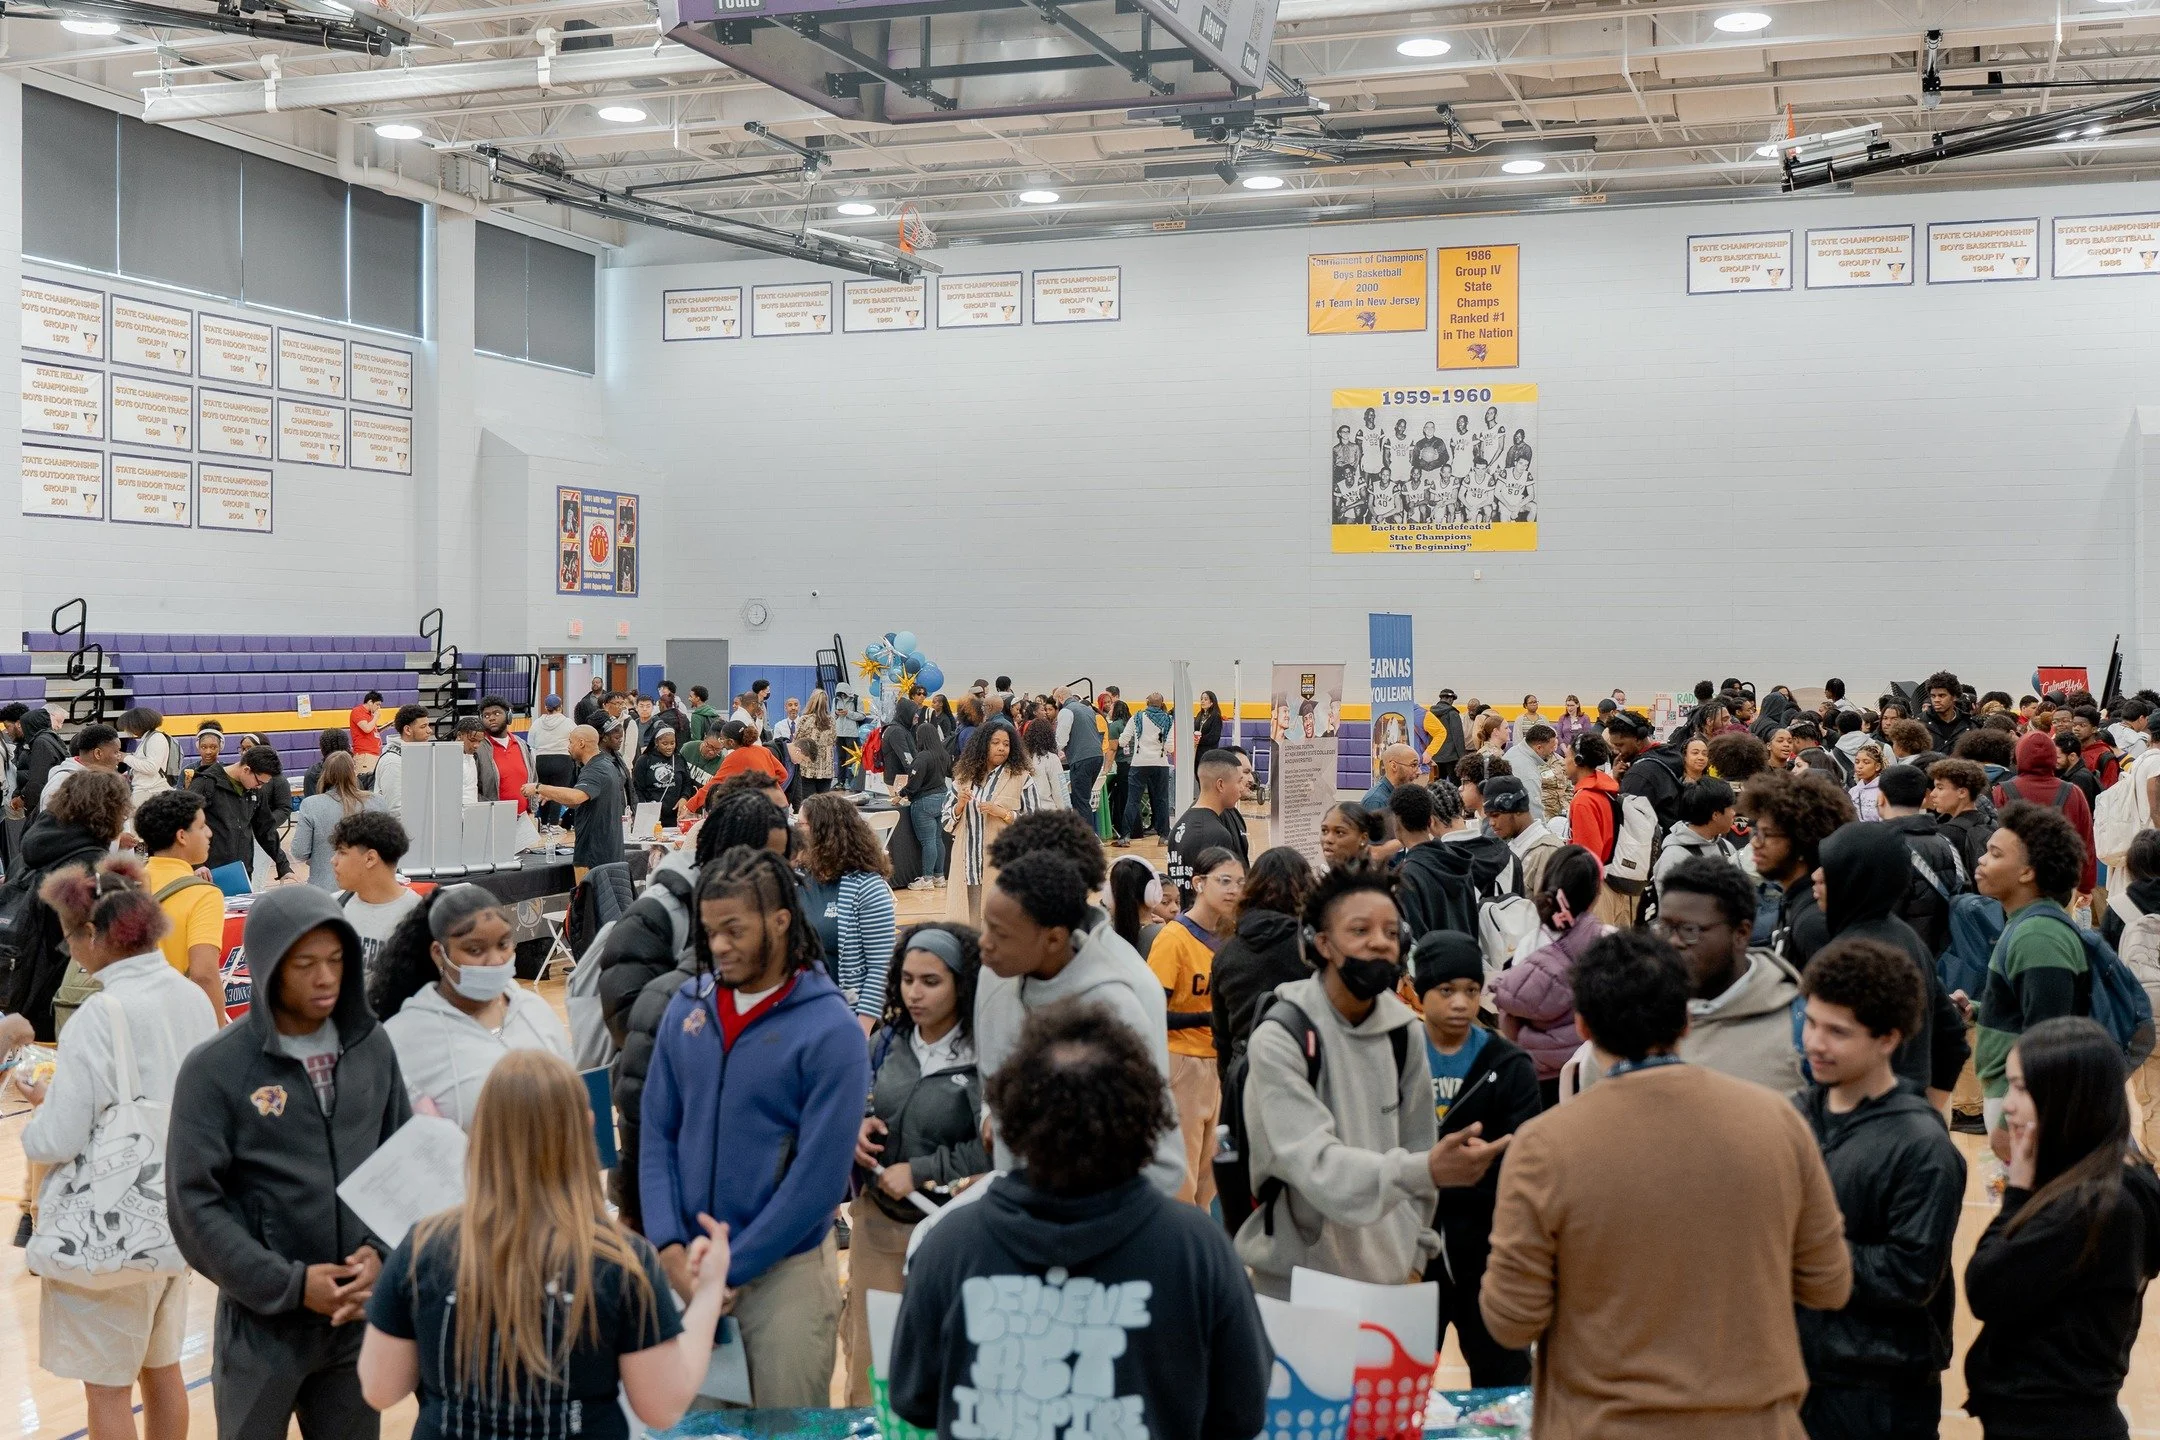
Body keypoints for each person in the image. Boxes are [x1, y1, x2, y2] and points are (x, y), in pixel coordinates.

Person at [1482, 929, 1851, 1437]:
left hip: (1603, 1425)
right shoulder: (1777, 1122)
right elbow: (1830, 1284)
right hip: (1754, 1424)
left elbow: (1510, 1319)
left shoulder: (1545, 1145)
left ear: (1582, 1025)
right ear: (1684, 1020)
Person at [888, 999, 1270, 1440]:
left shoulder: (948, 1245)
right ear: (1142, 1116)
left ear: (1012, 1119)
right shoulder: (1197, 1248)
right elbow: (1243, 1410)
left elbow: (913, 1397)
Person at [357, 1050, 730, 1438]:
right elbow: (661, 1407)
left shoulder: (422, 1248)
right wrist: (707, 1293)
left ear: (481, 1133)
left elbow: (381, 1388)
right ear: (586, 1129)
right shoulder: (621, 1261)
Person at [169, 885, 412, 1440]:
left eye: (335, 960)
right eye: (305, 964)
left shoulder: (372, 1046)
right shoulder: (215, 1069)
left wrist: (381, 1256)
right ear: (268, 968)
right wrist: (290, 1283)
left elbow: (401, 1164)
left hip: (354, 1317)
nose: (325, 977)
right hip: (261, 1325)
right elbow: (193, 1205)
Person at [639, 846, 868, 1407]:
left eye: (734, 930)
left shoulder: (830, 1027)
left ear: (781, 920)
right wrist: (670, 1249)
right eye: (711, 930)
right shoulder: (687, 1007)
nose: (719, 945)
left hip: (784, 1273)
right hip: (687, 1267)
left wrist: (731, 1268)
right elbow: (655, 1132)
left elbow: (817, 1181)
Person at [15, 855, 219, 1440]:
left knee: (107, 1392)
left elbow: (59, 1137)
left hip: (107, 1233)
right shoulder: (188, 998)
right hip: (174, 1218)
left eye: (70, 938)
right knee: (164, 1372)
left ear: (96, 935)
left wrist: (38, 1114)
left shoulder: (99, 1014)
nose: (70, 952)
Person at [1236, 861, 1509, 1296]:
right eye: (1360, 931)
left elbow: (1419, 1143)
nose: (1379, 943)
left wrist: (1417, 1257)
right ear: (1321, 942)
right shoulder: (1282, 1037)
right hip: (1298, 1286)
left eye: (1389, 931)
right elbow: (1315, 1164)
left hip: (1393, 1286)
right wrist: (1427, 1169)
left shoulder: (1405, 1033)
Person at [1793, 937, 1966, 1440]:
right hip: (1798, 1371)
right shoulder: (1797, 1115)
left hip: (1879, 1389)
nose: (1816, 1043)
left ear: (1888, 1039)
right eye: (1811, 1022)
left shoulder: (1922, 1148)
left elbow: (1909, 1275)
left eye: (1838, 1032)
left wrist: (1797, 1248)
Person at [1964, 1016, 2160, 1440]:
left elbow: (1985, 1285)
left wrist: (2018, 1186)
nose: (2007, 1104)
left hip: (2057, 1424)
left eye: (2019, 1088)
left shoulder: (2097, 1204)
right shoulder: (2106, 1182)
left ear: (2065, 1096)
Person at [604, 794, 788, 1231]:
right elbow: (630, 1023)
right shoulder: (657, 912)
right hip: (669, 1121)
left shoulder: (776, 909)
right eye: (766, 858)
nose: (777, 873)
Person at [973, 837, 1187, 1195]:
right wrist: (989, 1115)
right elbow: (989, 1078)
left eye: (1000, 933)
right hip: (1020, 1208)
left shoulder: (1122, 1001)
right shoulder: (994, 973)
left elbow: (1163, 1159)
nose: (983, 944)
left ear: (1054, 939)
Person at [842, 923, 989, 1405]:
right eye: (907, 979)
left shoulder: (984, 1057)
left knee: (947, 1368)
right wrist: (857, 1129)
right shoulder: (885, 1043)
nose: (915, 993)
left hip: (951, 1234)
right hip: (879, 1226)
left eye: (931, 981)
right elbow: (857, 1102)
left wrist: (923, 1170)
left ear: (961, 983)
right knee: (869, 1363)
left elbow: (995, 1148)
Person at [1411, 932, 1540, 1387]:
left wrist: (1492, 1163)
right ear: (1417, 990)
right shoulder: (1394, 1057)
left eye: (1470, 990)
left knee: (1503, 1379)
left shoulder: (1508, 1064)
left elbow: (1527, 1153)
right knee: (1400, 1377)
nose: (1461, 1003)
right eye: (1446, 991)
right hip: (1412, 1248)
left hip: (1487, 1248)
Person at [368, 884, 572, 1129]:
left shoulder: (535, 1011)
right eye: (475, 950)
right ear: (438, 954)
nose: (495, 960)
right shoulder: (403, 1037)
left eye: (504, 944)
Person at [1974, 799, 2094, 1160]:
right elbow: (2028, 1009)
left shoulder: (2037, 935)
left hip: (2023, 1104)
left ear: (2027, 872)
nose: (1982, 860)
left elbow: (2047, 1038)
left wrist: (2011, 1123)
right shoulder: (2027, 924)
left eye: (1995, 854)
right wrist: (1978, 1010)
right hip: (2016, 1096)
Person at [1629, 856, 1806, 1092]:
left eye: (1689, 930)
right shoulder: (1632, 1014)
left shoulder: (1801, 1027)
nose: (1672, 942)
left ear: (1741, 933)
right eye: (1664, 928)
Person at [0, 772, 135, 1041]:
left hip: (18, 991)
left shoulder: (31, 855)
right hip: (67, 1003)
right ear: (107, 811)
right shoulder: (93, 867)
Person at [1146, 845, 1242, 1208]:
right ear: (1199, 883)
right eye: (1224, 881)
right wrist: (1205, 1019)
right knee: (1181, 1175)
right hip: (1181, 1062)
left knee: (1211, 1174)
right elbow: (1152, 1011)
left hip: (1219, 1063)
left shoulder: (1233, 937)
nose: (1234, 889)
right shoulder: (1173, 939)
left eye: (1240, 882)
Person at [1491, 844, 1605, 1107]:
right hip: (1589, 1068)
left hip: (1537, 1072)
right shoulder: (1606, 942)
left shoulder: (1528, 944)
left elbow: (1510, 1016)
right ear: (1595, 894)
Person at [1209, 846, 1316, 1075]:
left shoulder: (1226, 953)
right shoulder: (1312, 949)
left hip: (1245, 1074)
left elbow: (1221, 1038)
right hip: (1301, 1070)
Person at [797, 792, 897, 1032]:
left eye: (801, 825)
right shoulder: (798, 877)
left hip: (845, 1018)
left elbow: (880, 968)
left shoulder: (867, 888)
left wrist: (860, 1031)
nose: (795, 831)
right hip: (800, 1014)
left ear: (824, 832)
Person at [134, 788, 231, 1023]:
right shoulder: (202, 894)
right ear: (181, 836)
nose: (209, 833)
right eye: (201, 826)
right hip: (177, 1020)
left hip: (132, 1017)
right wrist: (218, 1032)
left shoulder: (129, 883)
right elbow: (204, 973)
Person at [1744, 768, 1854, 968]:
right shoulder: (1797, 902)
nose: (1754, 843)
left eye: (1765, 834)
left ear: (1802, 843)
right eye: (1755, 832)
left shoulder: (1813, 921)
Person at [942, 720, 1037, 926]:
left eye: (1006, 744)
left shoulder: (1021, 778)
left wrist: (1004, 814)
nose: (1002, 748)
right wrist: (959, 806)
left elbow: (1035, 824)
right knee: (968, 924)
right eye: (995, 742)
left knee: (1000, 925)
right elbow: (946, 822)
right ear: (983, 744)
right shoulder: (963, 778)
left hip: (1001, 865)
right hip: (967, 866)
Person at [1993, 729, 2097, 899]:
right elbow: (2085, 840)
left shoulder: (2002, 791)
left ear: (2019, 755)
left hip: (2016, 881)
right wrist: (2085, 886)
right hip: (2061, 882)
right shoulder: (2073, 792)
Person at [327, 812, 421, 978]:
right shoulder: (333, 907)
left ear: (370, 858)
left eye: (342, 852)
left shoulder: (418, 916)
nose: (333, 860)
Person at [522, 725, 621, 881]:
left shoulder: (595, 769)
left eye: (570, 742)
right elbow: (579, 802)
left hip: (593, 853)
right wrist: (553, 794)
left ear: (581, 743)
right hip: (605, 850)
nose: (568, 747)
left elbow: (576, 797)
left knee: (587, 903)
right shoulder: (606, 765)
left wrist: (539, 787)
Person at [1165, 748, 1252, 905]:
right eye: (1239, 781)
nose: (1241, 787)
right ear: (1220, 784)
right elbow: (1218, 896)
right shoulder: (1217, 834)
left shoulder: (1179, 827)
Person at [290, 753, 379, 891]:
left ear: (325, 774)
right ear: (353, 772)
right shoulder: (377, 801)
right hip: (369, 887)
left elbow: (299, 851)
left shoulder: (311, 805)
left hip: (325, 889)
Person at [1651, 776, 1740, 897]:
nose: (1734, 813)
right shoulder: (1674, 857)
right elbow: (1673, 910)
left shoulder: (1726, 847)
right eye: (1730, 808)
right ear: (1715, 815)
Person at [1118, 692, 1176, 845]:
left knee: (1133, 800)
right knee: (1162, 800)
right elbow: (1170, 747)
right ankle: (1164, 836)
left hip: (1139, 763)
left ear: (1146, 702)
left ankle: (1125, 836)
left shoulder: (1136, 717)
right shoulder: (1168, 719)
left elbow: (1123, 741)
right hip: (1160, 763)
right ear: (1162, 703)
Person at [38, 722, 125, 813]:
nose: (119, 756)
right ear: (98, 753)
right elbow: (50, 823)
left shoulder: (102, 779)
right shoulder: (62, 782)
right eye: (116, 752)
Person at [1053, 685, 1104, 832]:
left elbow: (1061, 739)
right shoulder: (1087, 709)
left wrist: (1052, 753)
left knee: (1080, 801)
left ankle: (1086, 839)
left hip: (1081, 758)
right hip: (1097, 756)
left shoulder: (1066, 711)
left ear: (1061, 698)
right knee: (1085, 799)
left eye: (1056, 700)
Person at [368, 705, 433, 817]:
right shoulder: (392, 762)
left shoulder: (415, 755)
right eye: (423, 726)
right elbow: (395, 810)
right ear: (407, 729)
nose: (429, 731)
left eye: (428, 726)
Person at [1566, 730, 1620, 863]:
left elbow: (1586, 859)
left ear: (1578, 760)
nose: (1563, 762)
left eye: (1567, 756)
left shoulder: (1584, 801)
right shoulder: (1602, 789)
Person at [477, 696, 532, 816]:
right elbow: (471, 788)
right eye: (486, 715)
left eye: (497, 713)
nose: (491, 718)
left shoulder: (521, 744)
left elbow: (533, 778)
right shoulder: (478, 748)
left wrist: (532, 809)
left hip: (524, 818)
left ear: (509, 716)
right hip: (494, 818)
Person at [1502, 723, 1559, 822]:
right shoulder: (1529, 774)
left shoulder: (1515, 750)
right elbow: (1534, 811)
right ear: (1539, 748)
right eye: (1551, 747)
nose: (1553, 751)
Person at [118, 706, 175, 805]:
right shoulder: (148, 739)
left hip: (150, 791)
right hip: (146, 791)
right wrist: (131, 773)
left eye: (129, 726)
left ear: (137, 725)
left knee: (132, 819)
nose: (128, 729)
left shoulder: (156, 738)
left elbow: (151, 767)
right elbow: (145, 764)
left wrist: (126, 758)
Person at [633, 724, 684, 828]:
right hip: (652, 816)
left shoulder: (679, 759)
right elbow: (637, 788)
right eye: (665, 743)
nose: (669, 747)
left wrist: (684, 797)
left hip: (676, 817)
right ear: (656, 742)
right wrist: (647, 808)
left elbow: (687, 783)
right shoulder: (644, 760)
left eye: (672, 743)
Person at [788, 687, 836, 797]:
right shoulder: (831, 721)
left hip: (808, 767)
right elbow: (833, 741)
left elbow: (796, 742)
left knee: (808, 802)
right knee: (823, 803)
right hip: (826, 768)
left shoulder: (805, 719)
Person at [1319, 800, 1385, 871]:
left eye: (1339, 832)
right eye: (1324, 830)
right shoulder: (1334, 876)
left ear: (1363, 838)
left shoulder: (1366, 880)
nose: (1328, 839)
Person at [1922, 670, 1975, 755]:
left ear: (1954, 697)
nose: (1936, 700)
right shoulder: (1919, 724)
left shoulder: (1969, 725)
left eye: (1942, 695)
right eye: (1933, 696)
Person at [1424, 687, 1467, 780]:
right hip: (1452, 757)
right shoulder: (1453, 713)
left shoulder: (1429, 714)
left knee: (1437, 784)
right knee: (1455, 784)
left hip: (1435, 756)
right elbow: (1458, 737)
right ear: (1451, 699)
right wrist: (1462, 756)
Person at [1364, 742, 1420, 812]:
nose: (1419, 772)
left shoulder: (1401, 795)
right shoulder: (1376, 801)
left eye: (1418, 766)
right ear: (1394, 766)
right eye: (1413, 765)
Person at [300, 729, 350, 801]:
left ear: (322, 749)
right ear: (347, 748)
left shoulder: (312, 773)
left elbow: (311, 805)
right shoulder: (351, 771)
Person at [347, 690, 383, 777]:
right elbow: (366, 729)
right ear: (370, 702)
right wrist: (376, 718)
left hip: (374, 753)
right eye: (377, 704)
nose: (378, 708)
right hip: (365, 754)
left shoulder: (370, 715)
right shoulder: (358, 711)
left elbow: (373, 730)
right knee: (365, 783)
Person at [1195, 689, 1225, 755]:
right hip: (1197, 751)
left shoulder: (1216, 717)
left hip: (1209, 752)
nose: (1202, 701)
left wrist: (1200, 740)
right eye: (1201, 699)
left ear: (1212, 702)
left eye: (1205, 699)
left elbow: (1214, 737)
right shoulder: (1199, 715)